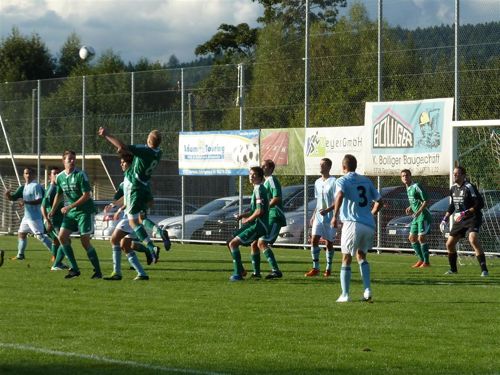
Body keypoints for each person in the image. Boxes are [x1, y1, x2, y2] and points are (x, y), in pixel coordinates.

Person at [98, 127, 170, 262]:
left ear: (148, 140)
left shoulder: (145, 152)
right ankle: (159, 233)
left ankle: (151, 247)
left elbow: (122, 145)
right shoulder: (158, 152)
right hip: (143, 186)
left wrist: (107, 135)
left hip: (134, 187)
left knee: (133, 222)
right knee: (140, 219)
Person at [332, 154, 382, 303]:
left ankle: (345, 294)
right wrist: (370, 214)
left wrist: (334, 216)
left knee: (346, 257)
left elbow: (340, 195)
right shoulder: (365, 180)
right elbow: (380, 201)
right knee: (361, 256)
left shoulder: (341, 180)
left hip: (352, 223)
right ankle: (367, 290)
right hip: (368, 224)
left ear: (343, 167)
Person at [49, 150, 102, 279]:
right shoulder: (60, 177)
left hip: (85, 211)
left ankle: (98, 272)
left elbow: (87, 195)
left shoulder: (80, 175)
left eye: (74, 159)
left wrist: (70, 206)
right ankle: (75, 269)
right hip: (71, 212)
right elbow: (59, 194)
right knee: (62, 237)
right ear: (64, 161)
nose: (72, 161)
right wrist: (53, 209)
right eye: (69, 159)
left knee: (85, 242)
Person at [103, 154, 153, 281]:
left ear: (130, 164)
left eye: (123, 162)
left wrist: (119, 208)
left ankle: (117, 273)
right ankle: (142, 273)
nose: (121, 164)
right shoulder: (126, 179)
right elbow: (120, 194)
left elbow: (130, 198)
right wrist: (112, 205)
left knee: (114, 240)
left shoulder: (134, 178)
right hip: (129, 216)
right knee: (125, 245)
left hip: (131, 216)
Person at [440, 166, 489, 277]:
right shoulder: (453, 188)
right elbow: (452, 205)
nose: (455, 175)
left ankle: (484, 270)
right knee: (449, 244)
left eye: (457, 174)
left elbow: (480, 204)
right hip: (460, 219)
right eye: (454, 173)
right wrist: (445, 219)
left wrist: (466, 212)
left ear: (463, 176)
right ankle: (453, 270)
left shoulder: (469, 187)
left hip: (473, 217)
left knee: (472, 239)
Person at [227, 166, 269, 281]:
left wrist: (248, 219)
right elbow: (255, 209)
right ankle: (250, 272)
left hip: (258, 225)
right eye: (250, 174)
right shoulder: (257, 188)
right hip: (256, 223)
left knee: (233, 244)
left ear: (260, 177)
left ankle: (238, 274)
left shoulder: (259, 189)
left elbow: (260, 211)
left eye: (254, 175)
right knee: (232, 241)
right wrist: (243, 215)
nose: (251, 176)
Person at [4, 167, 53, 260]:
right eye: (26, 173)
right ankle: (20, 255)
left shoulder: (35, 186)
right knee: (21, 233)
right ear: (23, 175)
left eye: (30, 173)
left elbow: (40, 200)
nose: (28, 175)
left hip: (35, 217)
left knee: (40, 237)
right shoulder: (24, 186)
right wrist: (7, 194)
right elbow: (13, 198)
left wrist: (25, 202)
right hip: (27, 217)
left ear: (34, 175)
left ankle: (57, 254)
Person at [249, 159, 283, 279]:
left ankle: (276, 270)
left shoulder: (271, 180)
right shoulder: (262, 184)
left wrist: (265, 207)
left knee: (262, 242)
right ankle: (256, 273)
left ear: (270, 169)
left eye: (264, 166)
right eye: (261, 166)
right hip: (266, 217)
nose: (262, 168)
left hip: (274, 216)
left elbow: (277, 197)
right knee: (254, 243)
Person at [305, 158, 337, 277]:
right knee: (314, 240)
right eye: (320, 164)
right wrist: (314, 215)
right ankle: (316, 268)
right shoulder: (317, 182)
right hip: (318, 216)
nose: (320, 167)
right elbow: (318, 201)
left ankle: (328, 268)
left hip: (330, 216)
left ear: (328, 167)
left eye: (323, 165)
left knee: (329, 243)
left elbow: (338, 201)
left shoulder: (334, 181)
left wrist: (329, 210)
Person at [400, 169, 431, 268]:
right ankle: (421, 259)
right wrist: (410, 207)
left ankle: (426, 262)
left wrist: (418, 212)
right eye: (403, 176)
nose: (405, 177)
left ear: (410, 176)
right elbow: (416, 201)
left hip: (423, 215)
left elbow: (426, 200)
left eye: (407, 175)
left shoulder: (416, 186)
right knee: (412, 238)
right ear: (401, 178)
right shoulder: (408, 188)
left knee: (421, 238)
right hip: (416, 216)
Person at [41, 166, 68, 271]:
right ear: (50, 176)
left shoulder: (56, 188)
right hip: (54, 221)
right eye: (54, 174)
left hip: (58, 219)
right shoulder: (52, 190)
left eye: (58, 173)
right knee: (65, 241)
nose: (56, 176)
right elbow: (42, 207)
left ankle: (56, 260)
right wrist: (47, 221)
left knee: (56, 241)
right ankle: (57, 264)